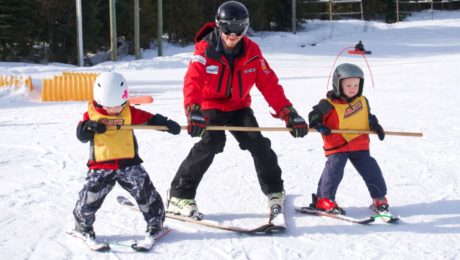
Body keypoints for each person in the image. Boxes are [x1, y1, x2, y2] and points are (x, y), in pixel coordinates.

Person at [166, 1, 309, 219]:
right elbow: (192, 81)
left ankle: (274, 191)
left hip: (238, 106)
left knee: (258, 143)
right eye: (227, 28)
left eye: (239, 29)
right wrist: (193, 110)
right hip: (210, 105)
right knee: (211, 142)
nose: (233, 35)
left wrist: (288, 112)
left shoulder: (252, 52)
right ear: (218, 26)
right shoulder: (205, 50)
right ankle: (179, 195)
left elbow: (269, 84)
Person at [72, 72, 181, 242]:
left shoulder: (128, 112)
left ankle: (155, 223)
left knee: (145, 191)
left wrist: (166, 123)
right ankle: (83, 226)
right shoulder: (91, 115)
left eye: (119, 105)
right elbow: (81, 135)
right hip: (101, 166)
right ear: (99, 101)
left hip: (128, 163)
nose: (115, 110)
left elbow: (148, 119)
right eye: (110, 107)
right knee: (90, 196)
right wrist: (90, 127)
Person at [307, 63, 389, 214]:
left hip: (359, 144)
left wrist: (376, 126)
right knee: (334, 169)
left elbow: (367, 117)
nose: (353, 88)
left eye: (356, 85)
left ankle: (379, 198)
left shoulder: (362, 101)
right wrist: (318, 125)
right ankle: (325, 200)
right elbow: (314, 116)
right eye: (349, 85)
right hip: (337, 145)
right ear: (338, 85)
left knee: (371, 168)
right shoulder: (328, 104)